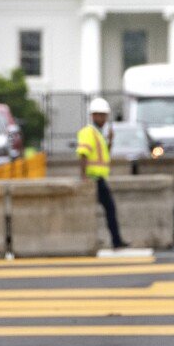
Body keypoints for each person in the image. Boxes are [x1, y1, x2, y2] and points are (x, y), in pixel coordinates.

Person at [78, 98, 129, 249]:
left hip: (98, 178)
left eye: (105, 115)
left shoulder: (98, 133)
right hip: (93, 179)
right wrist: (83, 176)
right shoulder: (89, 132)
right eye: (101, 115)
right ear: (94, 115)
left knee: (107, 209)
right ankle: (116, 241)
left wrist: (110, 141)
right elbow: (83, 154)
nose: (104, 118)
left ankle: (116, 241)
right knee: (109, 209)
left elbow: (103, 154)